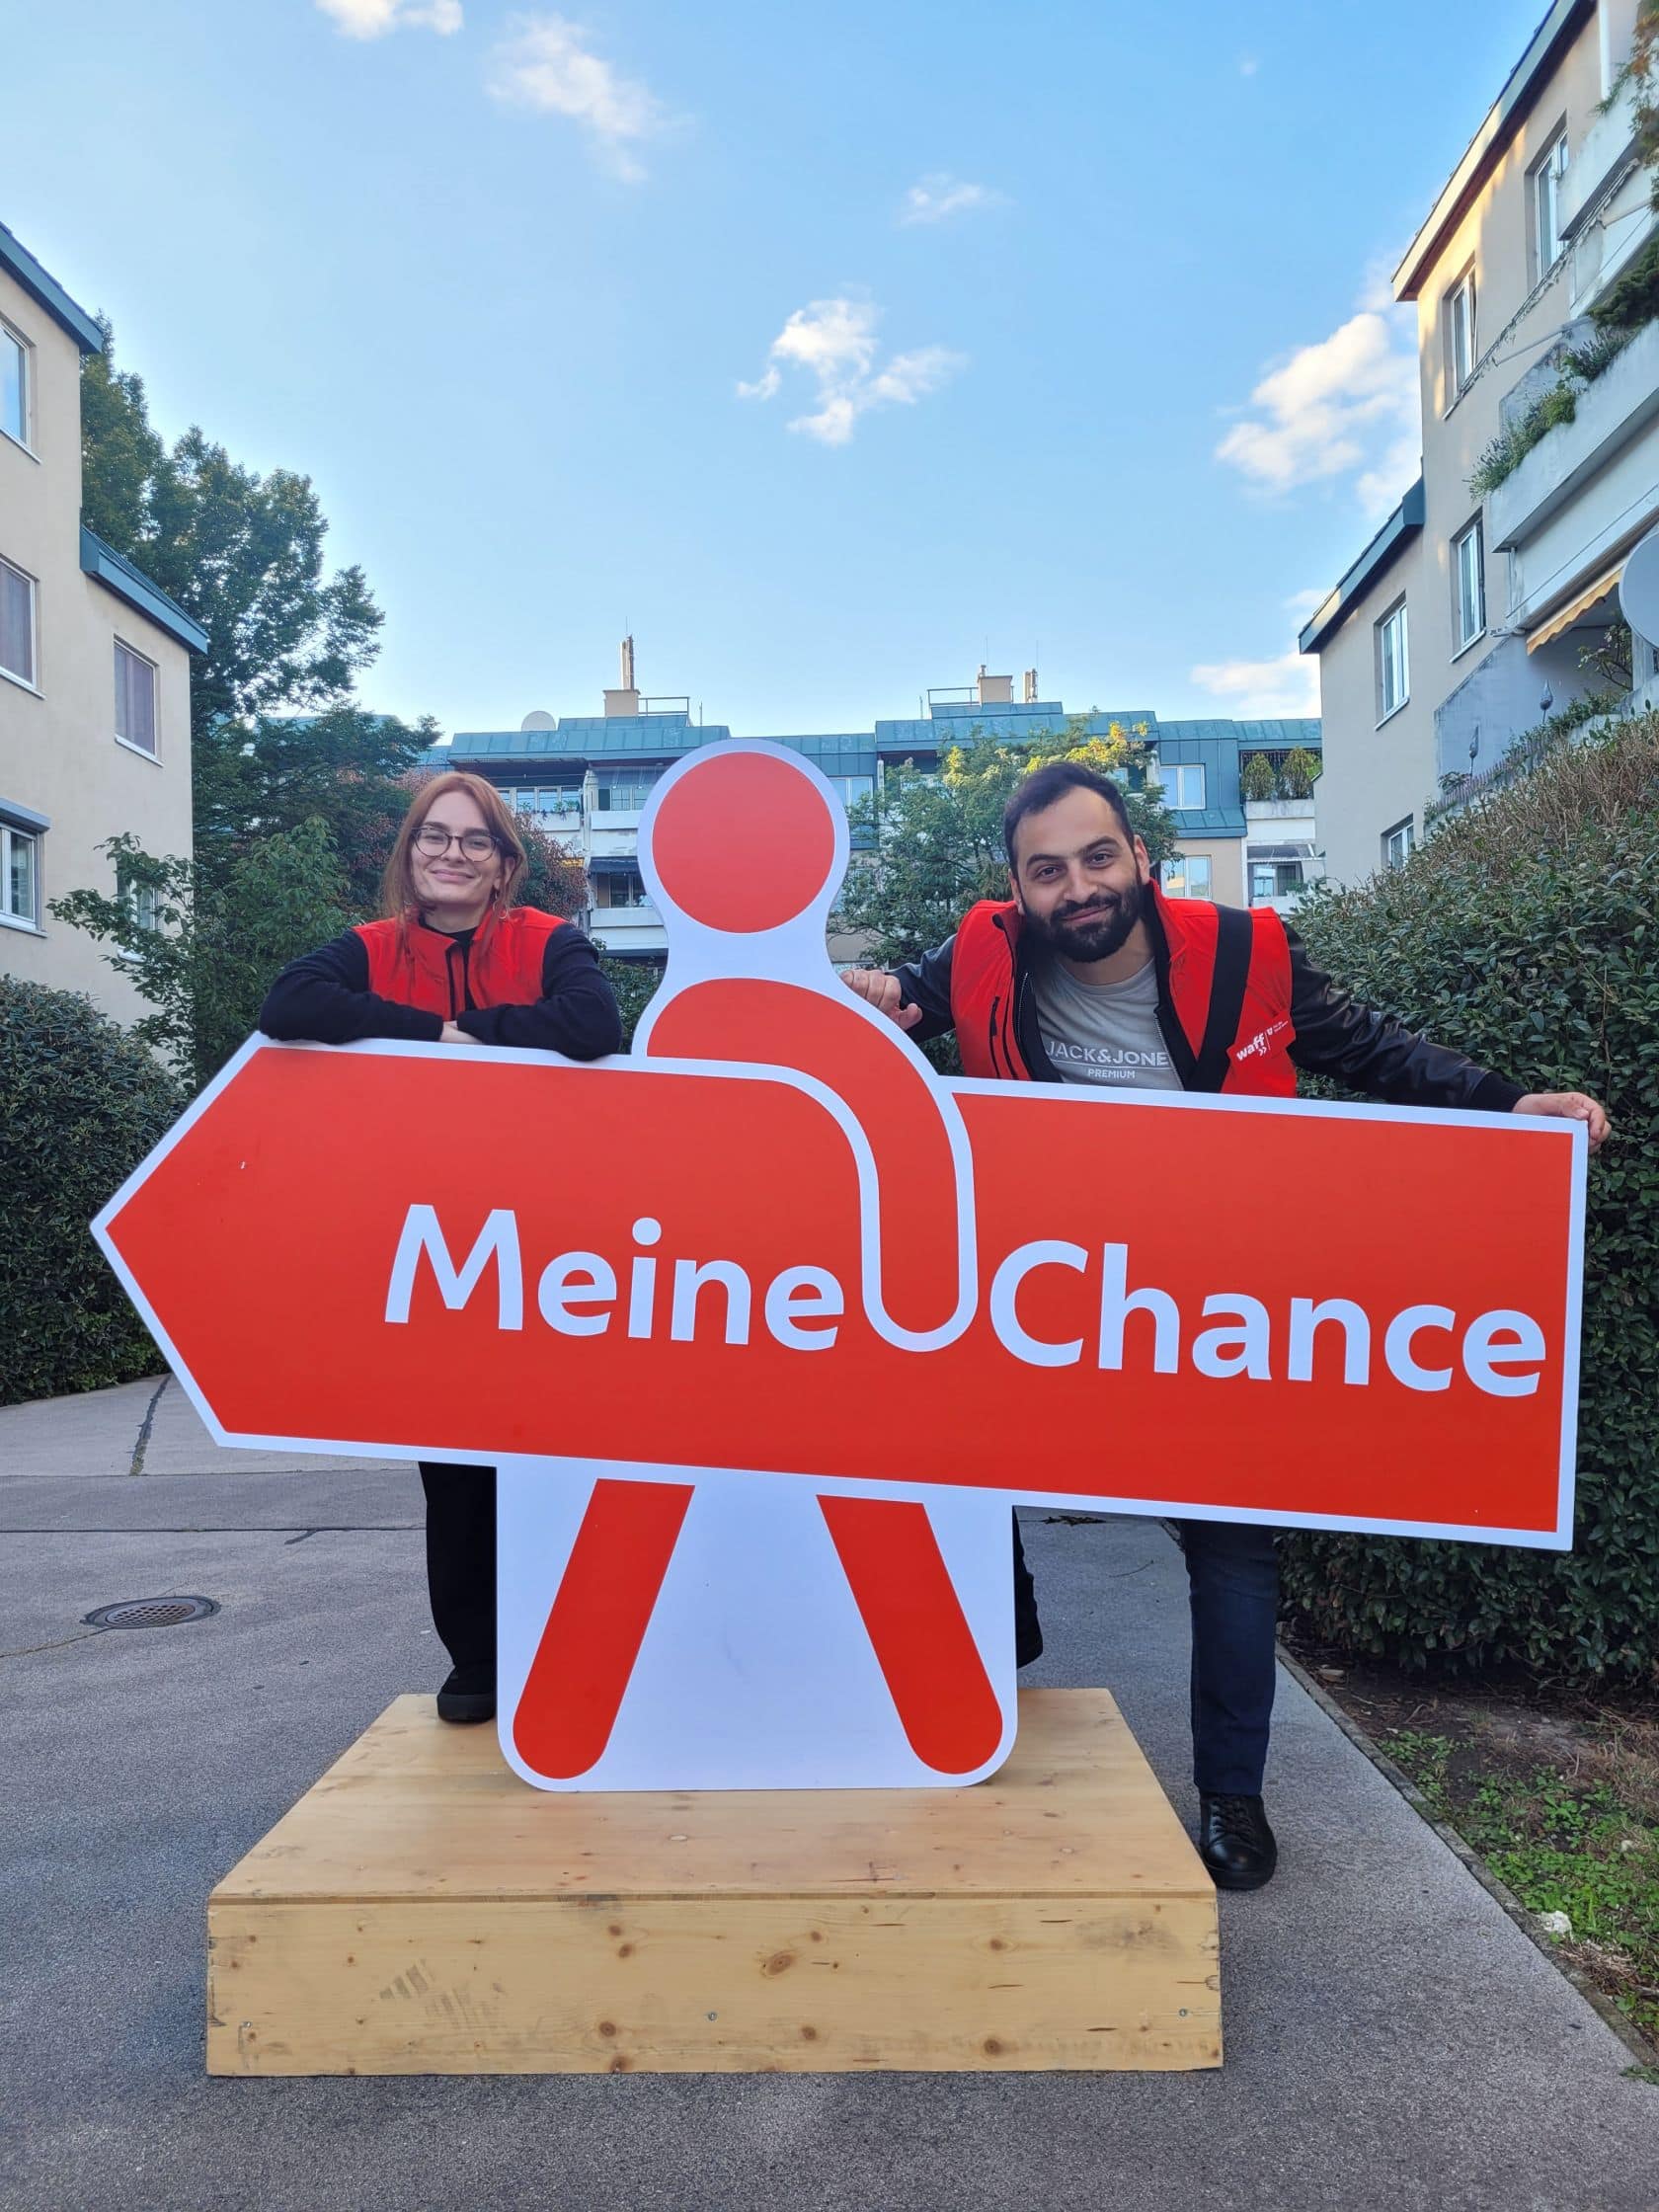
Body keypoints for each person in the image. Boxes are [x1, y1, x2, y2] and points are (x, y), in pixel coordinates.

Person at [844, 760, 1610, 1890]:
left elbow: (1376, 1049)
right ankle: (995, 1676)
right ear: (1015, 886)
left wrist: (1507, 1105)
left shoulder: (1251, 950)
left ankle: (1232, 1797)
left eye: (1098, 857)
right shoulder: (975, 955)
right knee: (942, 1465)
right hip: (1040, 1298)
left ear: (1141, 857)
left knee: (1235, 1548)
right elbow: (895, 1007)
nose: (1079, 887)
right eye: (1047, 870)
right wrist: (868, 994)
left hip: (1209, 1304)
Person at [259, 770, 622, 1724]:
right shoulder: (372, 948)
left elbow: (593, 1026)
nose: (451, 854)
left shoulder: (548, 942)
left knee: (558, 1451)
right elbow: (290, 1005)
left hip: (553, 1250)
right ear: (410, 853)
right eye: (434, 836)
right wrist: (431, 1032)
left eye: (474, 841)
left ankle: (577, 1642)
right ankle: (481, 1661)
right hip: (432, 1253)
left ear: (504, 866)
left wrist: (477, 1033)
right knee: (454, 1462)